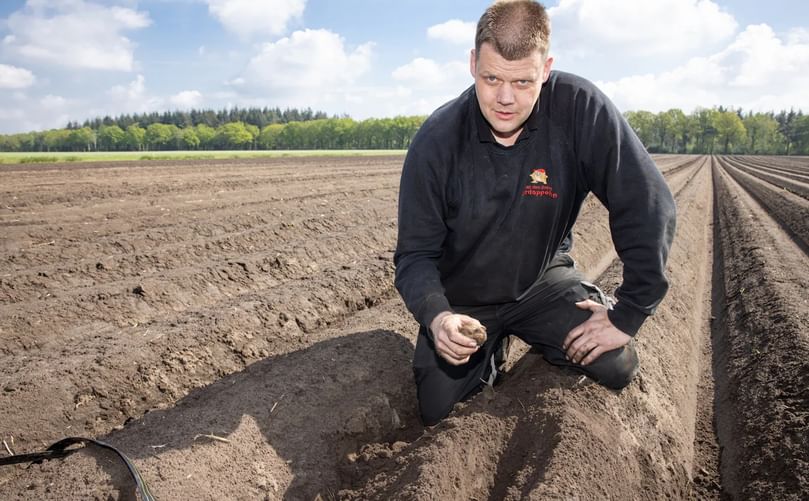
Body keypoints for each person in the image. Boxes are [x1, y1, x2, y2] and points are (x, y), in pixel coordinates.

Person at [394, 0, 677, 426]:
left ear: (546, 68)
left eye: (524, 82)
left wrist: (629, 312)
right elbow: (414, 255)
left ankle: (543, 342)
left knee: (613, 366)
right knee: (439, 414)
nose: (505, 98)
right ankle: (489, 348)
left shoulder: (580, 109)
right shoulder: (438, 141)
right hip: (466, 300)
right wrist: (439, 316)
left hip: (543, 283)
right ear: (472, 64)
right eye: (491, 79)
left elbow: (645, 201)